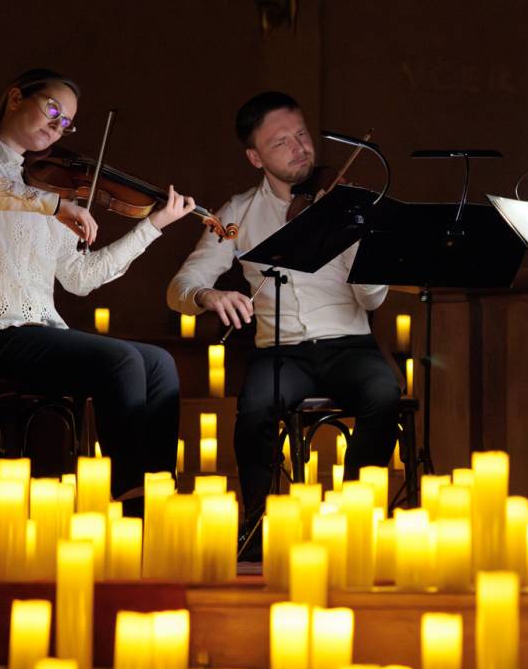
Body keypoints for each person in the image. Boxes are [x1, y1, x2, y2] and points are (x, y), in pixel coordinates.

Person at [0, 68, 196, 503]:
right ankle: (130, 502)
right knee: (122, 362)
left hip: (33, 336)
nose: (58, 126)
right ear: (15, 97)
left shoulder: (47, 184)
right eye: (53, 110)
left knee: (159, 363)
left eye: (67, 122)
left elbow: (80, 277)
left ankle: (157, 496)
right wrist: (53, 206)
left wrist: (153, 226)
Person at [167, 90, 402, 559]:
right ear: (255, 156)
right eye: (281, 142)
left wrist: (361, 248)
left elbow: (372, 298)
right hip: (281, 352)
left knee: (384, 394)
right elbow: (181, 285)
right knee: (254, 410)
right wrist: (209, 295)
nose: (300, 148)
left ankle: (352, 521)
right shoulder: (236, 215)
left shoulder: (348, 206)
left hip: (350, 344)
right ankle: (256, 529)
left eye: (302, 135)